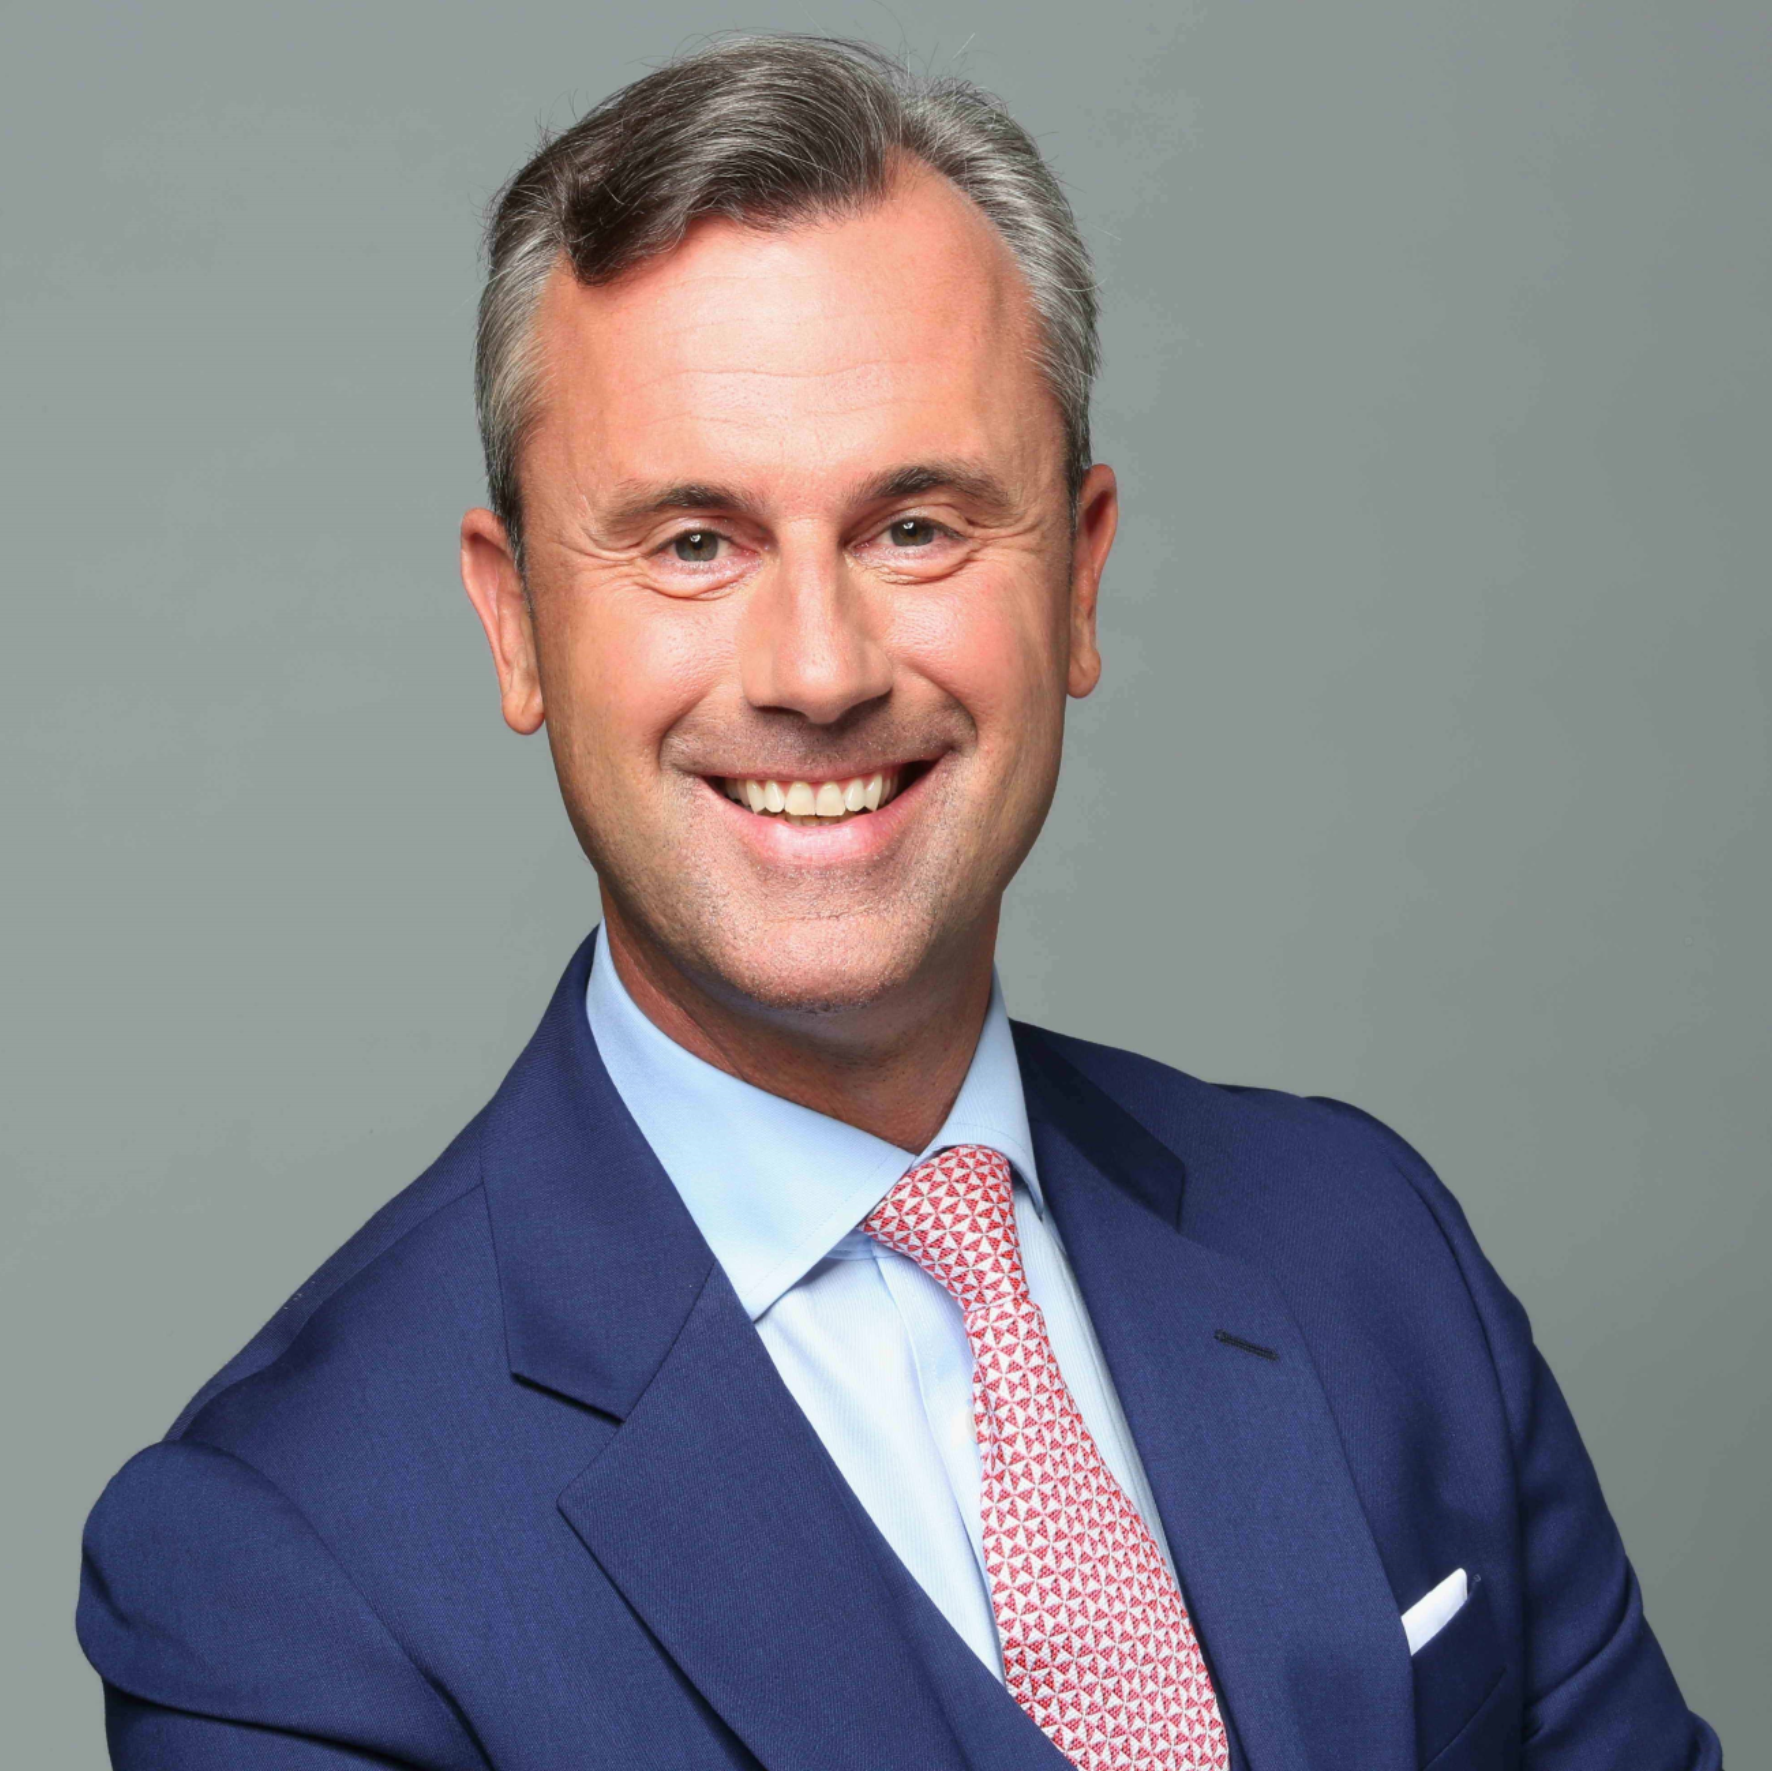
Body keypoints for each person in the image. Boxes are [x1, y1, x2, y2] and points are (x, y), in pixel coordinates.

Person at [77, 35, 1719, 1771]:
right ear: (517, 622)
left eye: (916, 526)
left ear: (1077, 577)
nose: (819, 668)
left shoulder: (1371, 1255)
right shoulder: (284, 1564)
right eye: (694, 542)